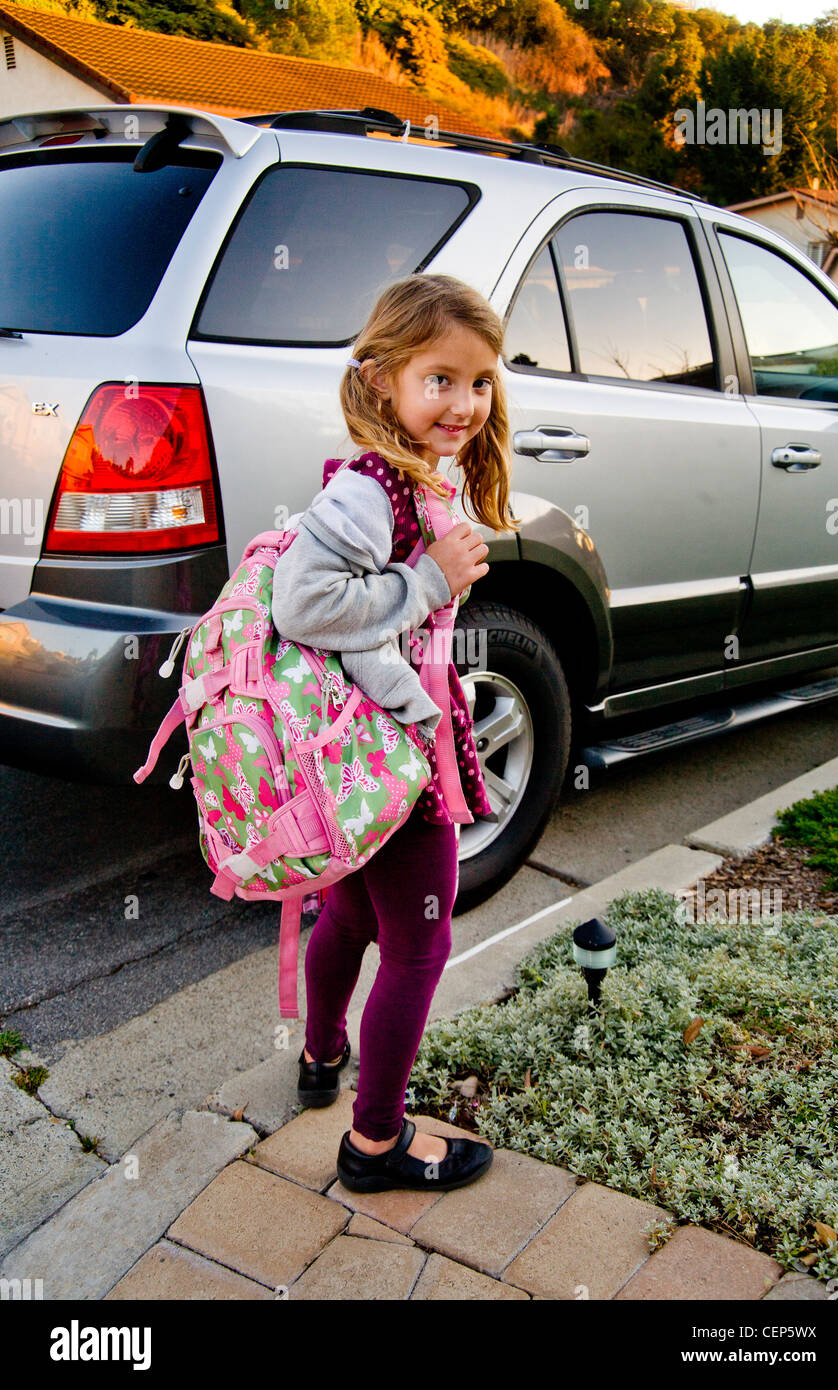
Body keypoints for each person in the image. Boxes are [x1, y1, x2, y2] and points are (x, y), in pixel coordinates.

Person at [271, 273, 518, 1194]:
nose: (464, 402)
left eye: (480, 381)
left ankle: (319, 1055)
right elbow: (304, 604)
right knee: (420, 947)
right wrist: (431, 582)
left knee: (347, 911)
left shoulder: (401, 474)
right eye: (440, 379)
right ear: (383, 380)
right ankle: (375, 1143)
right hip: (387, 754)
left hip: (360, 745)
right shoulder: (373, 490)